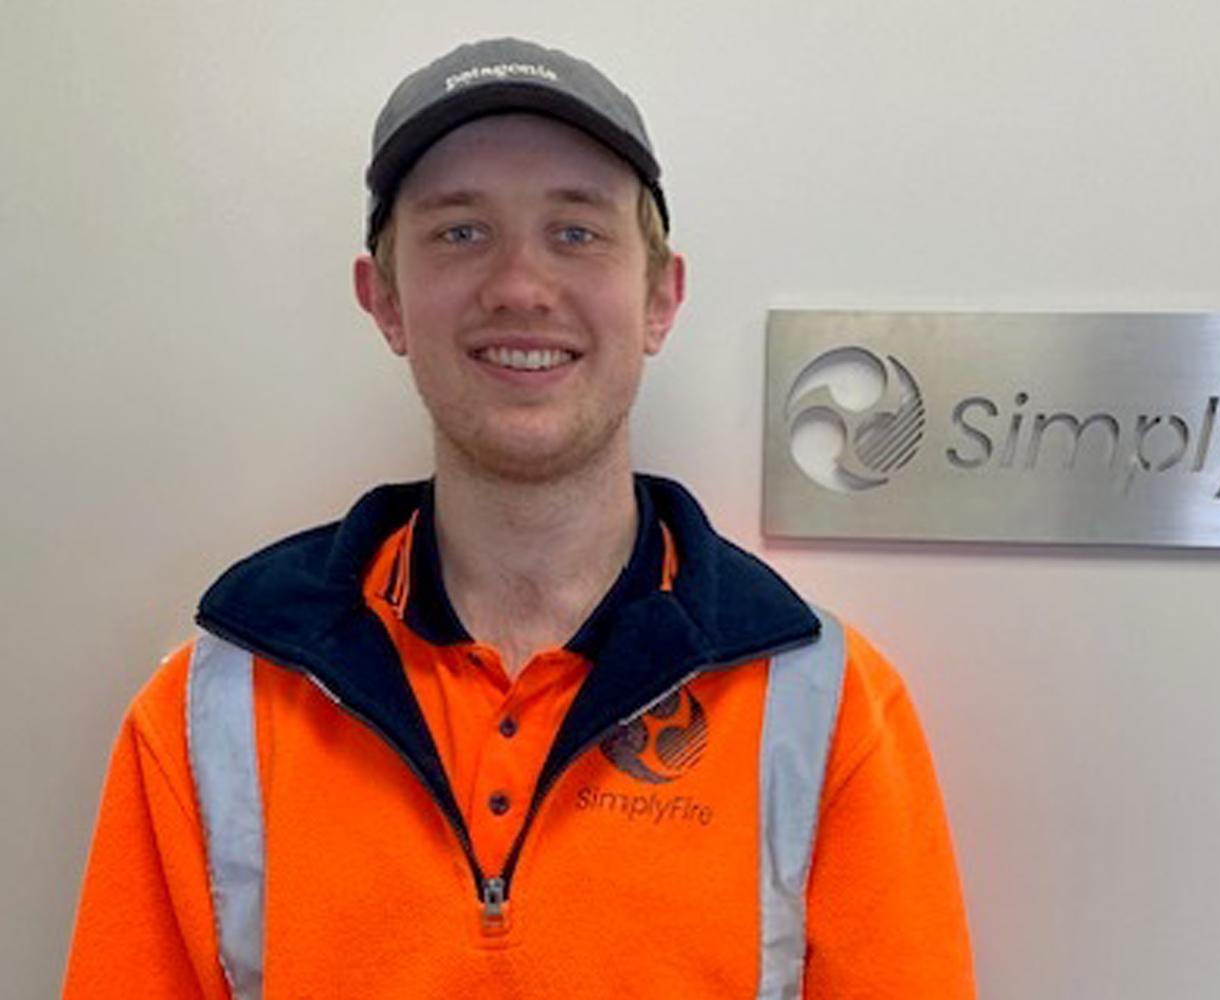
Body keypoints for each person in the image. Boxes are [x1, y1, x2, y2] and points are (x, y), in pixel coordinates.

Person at [63, 37, 974, 998]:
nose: (520, 287)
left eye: (576, 231)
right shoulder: (217, 708)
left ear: (660, 298)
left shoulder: (822, 706)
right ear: (386, 302)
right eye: (461, 232)